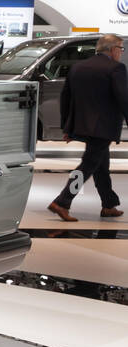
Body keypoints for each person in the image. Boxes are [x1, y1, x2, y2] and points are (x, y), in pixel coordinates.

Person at [48, 34, 128, 221]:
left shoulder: (78, 67)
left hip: (82, 126)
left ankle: (109, 204)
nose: (121, 53)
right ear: (112, 49)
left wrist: (66, 127)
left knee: (101, 165)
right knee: (87, 166)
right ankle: (62, 201)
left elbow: (65, 99)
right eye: (121, 49)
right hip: (103, 128)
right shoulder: (116, 68)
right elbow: (124, 99)